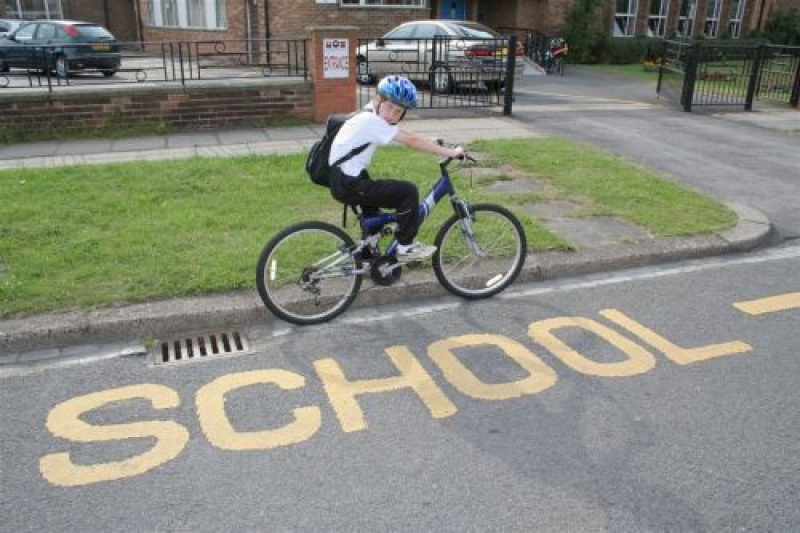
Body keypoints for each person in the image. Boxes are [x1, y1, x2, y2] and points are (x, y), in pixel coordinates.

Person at [328, 75, 465, 262]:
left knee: (374, 216)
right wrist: (450, 152)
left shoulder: (368, 113)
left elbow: (402, 136)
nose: (392, 114)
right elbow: (411, 141)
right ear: (379, 100)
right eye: (389, 107)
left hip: (345, 178)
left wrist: (430, 141)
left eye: (398, 111)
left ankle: (368, 255)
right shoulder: (371, 121)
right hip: (349, 183)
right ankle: (404, 246)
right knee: (407, 192)